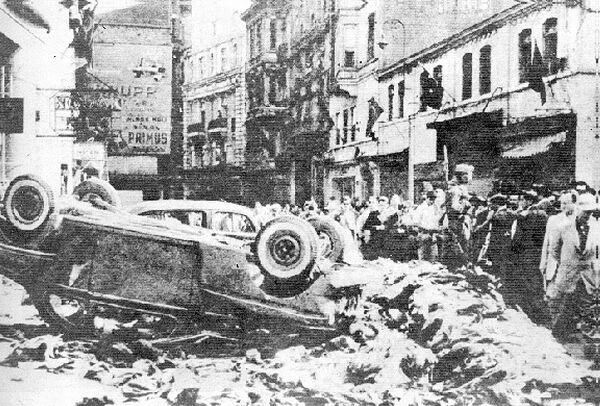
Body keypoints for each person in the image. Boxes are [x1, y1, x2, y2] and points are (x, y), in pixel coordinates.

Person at [547, 193, 596, 341]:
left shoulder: (595, 228)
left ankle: (581, 337)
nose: (588, 215)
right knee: (564, 306)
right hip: (568, 273)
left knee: (585, 306)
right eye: (585, 212)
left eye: (590, 212)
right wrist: (567, 263)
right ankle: (559, 338)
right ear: (577, 209)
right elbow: (554, 250)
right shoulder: (563, 227)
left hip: (587, 275)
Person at [443, 163, 474, 267]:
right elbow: (453, 206)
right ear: (462, 175)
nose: (470, 177)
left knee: (464, 244)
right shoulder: (455, 189)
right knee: (458, 246)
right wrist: (465, 207)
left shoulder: (461, 188)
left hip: (461, 220)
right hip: (456, 221)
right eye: (468, 174)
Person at [412, 190, 444, 262]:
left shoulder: (433, 208)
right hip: (423, 234)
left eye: (433, 200)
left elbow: (435, 221)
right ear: (427, 198)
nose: (432, 201)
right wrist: (426, 228)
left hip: (432, 235)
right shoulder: (420, 208)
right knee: (423, 258)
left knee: (433, 258)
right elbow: (416, 223)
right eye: (430, 199)